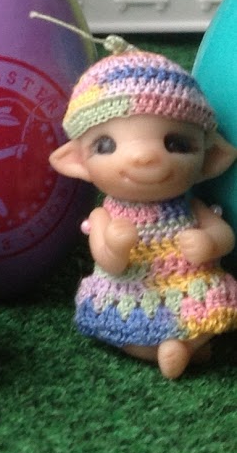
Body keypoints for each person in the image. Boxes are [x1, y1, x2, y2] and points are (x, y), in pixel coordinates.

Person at [49, 50, 237, 379]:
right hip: (128, 289)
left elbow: (224, 235)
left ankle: (184, 345)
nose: (144, 157)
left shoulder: (191, 206)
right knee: (122, 329)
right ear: (77, 162)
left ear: (210, 159)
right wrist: (114, 247)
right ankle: (172, 349)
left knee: (219, 305)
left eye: (176, 144)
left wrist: (209, 242)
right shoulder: (104, 215)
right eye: (106, 145)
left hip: (188, 284)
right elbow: (107, 260)